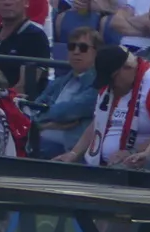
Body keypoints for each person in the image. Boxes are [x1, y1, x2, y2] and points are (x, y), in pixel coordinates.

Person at [54, 45, 150, 165]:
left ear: (128, 68)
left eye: (113, 78)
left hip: (138, 167)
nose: (110, 85)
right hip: (101, 164)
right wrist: (73, 153)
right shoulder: (109, 86)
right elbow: (98, 123)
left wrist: (133, 152)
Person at [28, 24, 98, 155]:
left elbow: (71, 110)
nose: (76, 51)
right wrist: (46, 125)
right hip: (45, 135)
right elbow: (35, 108)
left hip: (72, 145)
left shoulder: (98, 83)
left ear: (96, 53)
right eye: (72, 47)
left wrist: (42, 120)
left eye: (83, 48)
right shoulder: (60, 81)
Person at [0, 0, 50, 94]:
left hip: (18, 105)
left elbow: (24, 87)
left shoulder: (35, 37)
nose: (7, 2)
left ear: (26, 3)